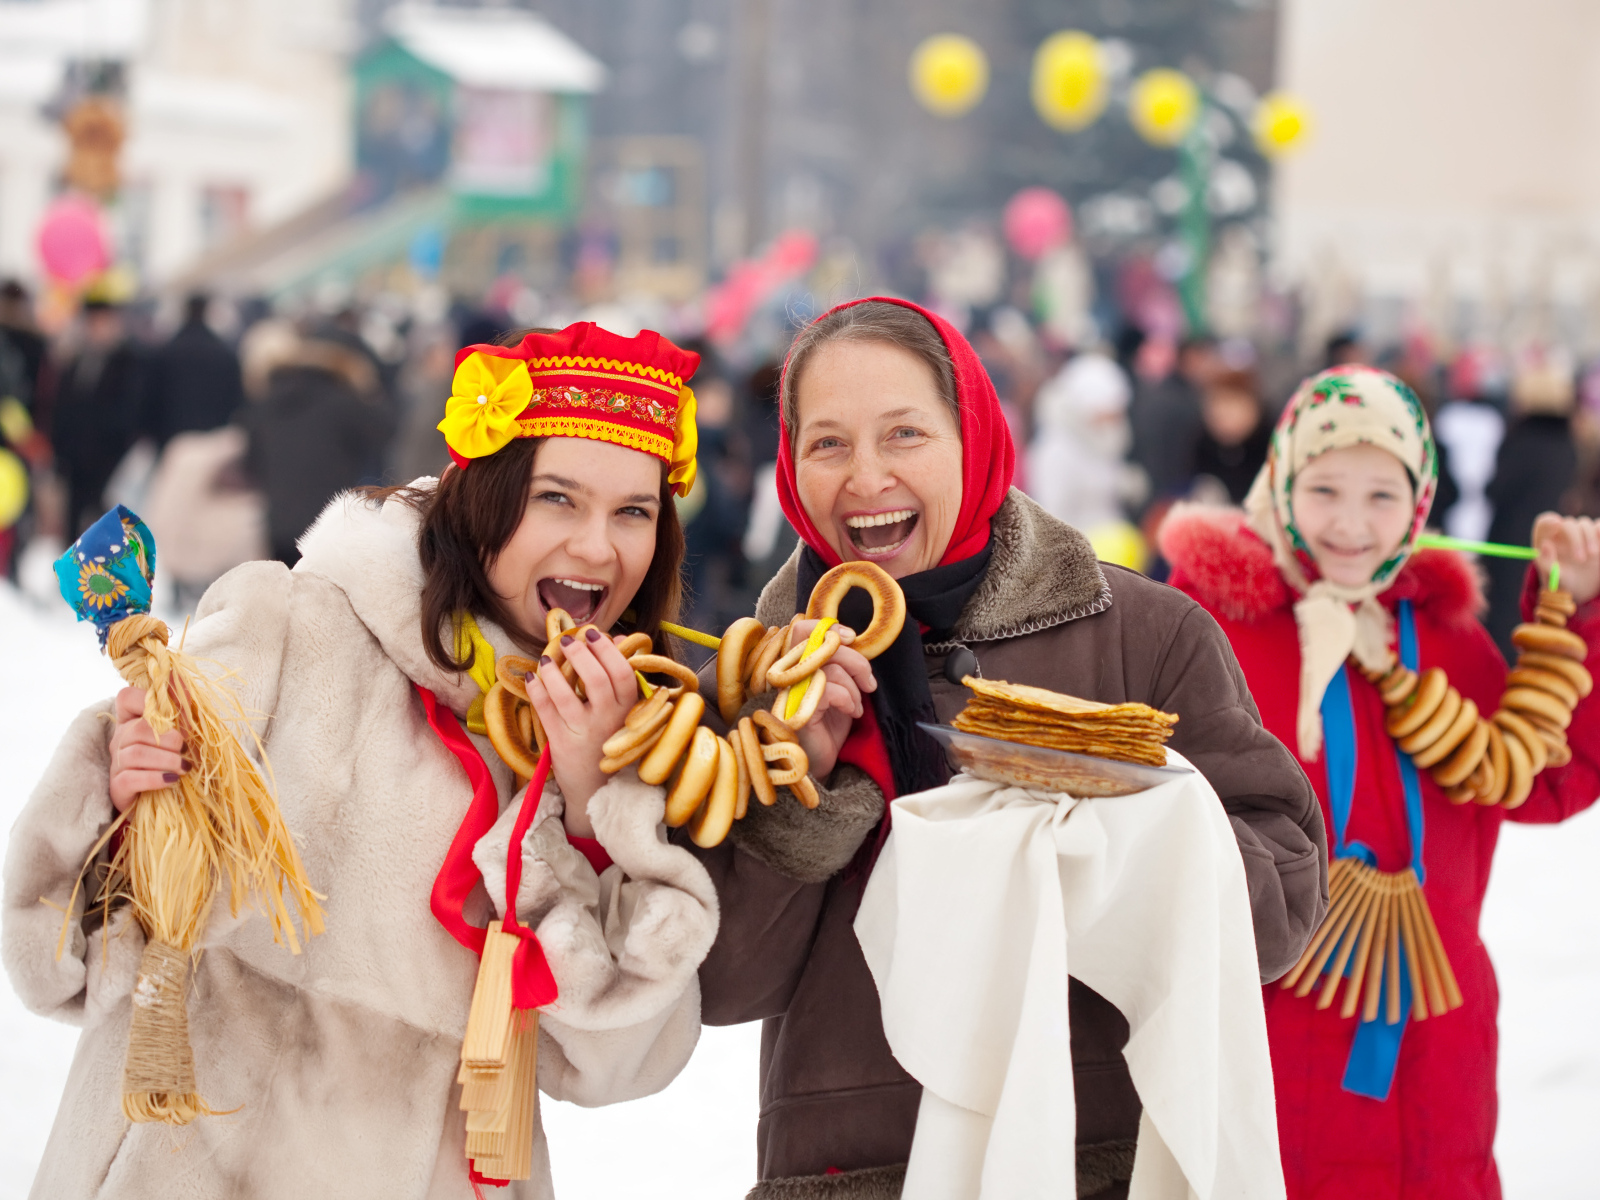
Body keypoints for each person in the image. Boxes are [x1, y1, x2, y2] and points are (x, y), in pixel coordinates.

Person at [3, 322, 720, 1197]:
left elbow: (616, 1067)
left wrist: (587, 794)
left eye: (634, 512)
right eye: (557, 499)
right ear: (484, 492)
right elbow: (66, 955)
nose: (600, 548)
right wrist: (128, 804)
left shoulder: (636, 738)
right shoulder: (288, 627)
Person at [686, 297, 1326, 1199]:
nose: (865, 476)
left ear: (974, 435)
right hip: (847, 1170)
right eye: (827, 443)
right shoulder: (760, 671)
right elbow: (722, 983)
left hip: (1091, 1162)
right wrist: (805, 785)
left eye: (904, 433)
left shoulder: (1146, 637)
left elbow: (1286, 904)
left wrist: (1110, 841)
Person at [1158, 365, 1600, 1200]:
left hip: (1434, 1051)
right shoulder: (1212, 630)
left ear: (1421, 502)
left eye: (1382, 495)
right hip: (1269, 1037)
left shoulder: (1447, 639)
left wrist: (1573, 616)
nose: (1353, 525)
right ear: (1283, 483)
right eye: (1325, 489)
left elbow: (1546, 777)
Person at [239, 329, 396, 565]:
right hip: (329, 525)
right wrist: (368, 391)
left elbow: (251, 464)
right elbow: (387, 432)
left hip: (279, 526)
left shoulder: (268, 401)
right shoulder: (345, 404)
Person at [1484, 356, 1578, 659]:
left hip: (1509, 542)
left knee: (1502, 616)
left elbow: (1497, 490)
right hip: (1553, 542)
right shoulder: (1569, 444)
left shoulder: (1520, 440)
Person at [48, 297, 148, 538]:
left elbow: (130, 411)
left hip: (109, 460)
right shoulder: (74, 361)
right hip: (75, 460)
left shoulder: (130, 361)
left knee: (109, 528)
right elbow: (62, 408)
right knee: (74, 525)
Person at [141, 293, 245, 448]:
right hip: (217, 445)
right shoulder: (224, 353)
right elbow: (237, 402)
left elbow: (149, 405)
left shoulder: (164, 355)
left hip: (174, 446)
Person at [1190, 366, 1270, 505]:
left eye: (1232, 405)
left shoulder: (1270, 445)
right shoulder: (1201, 444)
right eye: (1216, 405)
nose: (1223, 416)